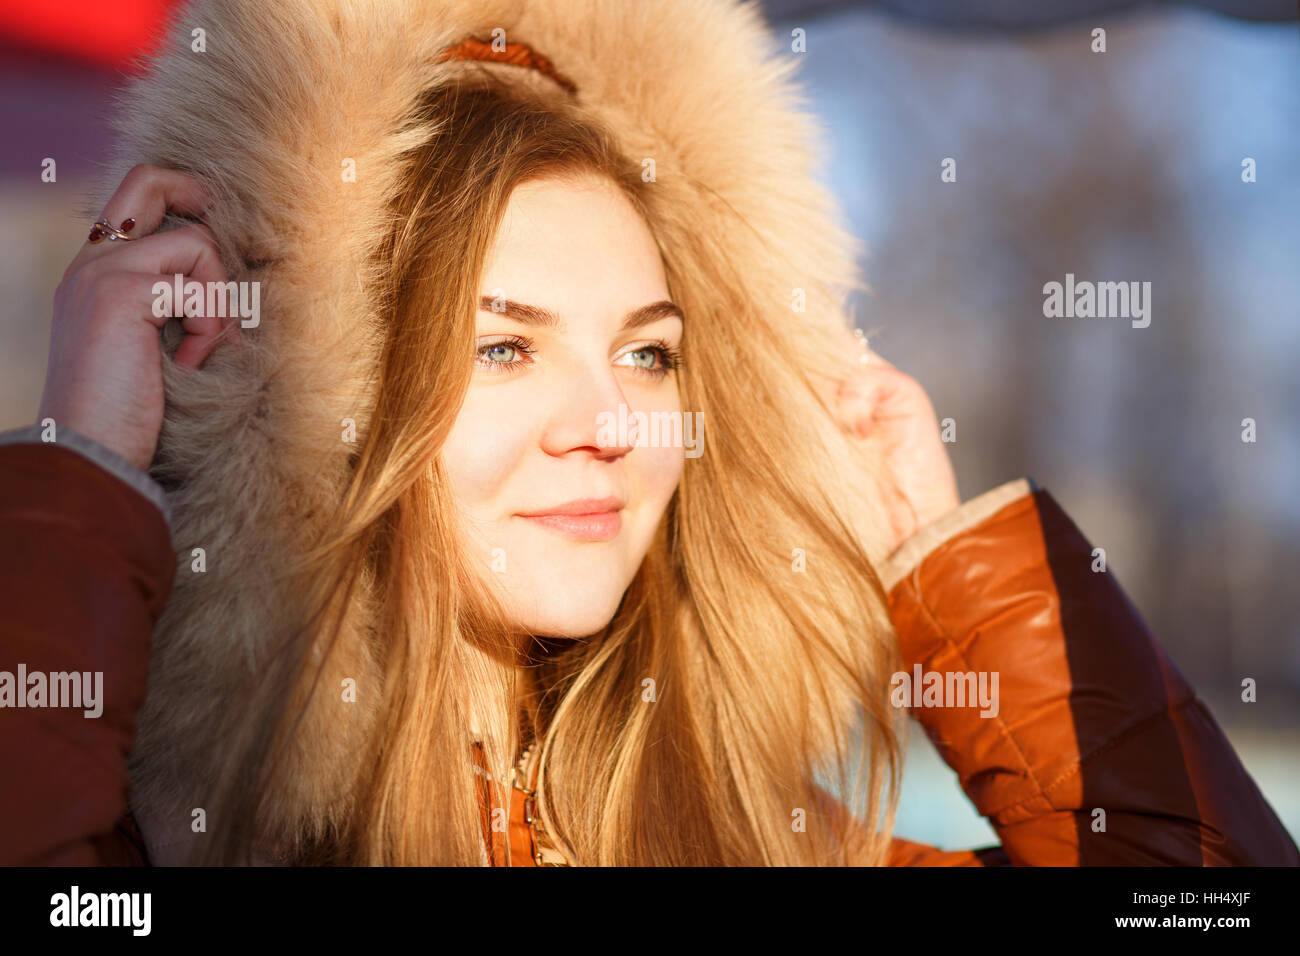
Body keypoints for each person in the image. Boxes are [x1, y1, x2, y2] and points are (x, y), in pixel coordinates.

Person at [2, 0, 1296, 867]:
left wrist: (948, 565)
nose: (614, 423)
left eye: (650, 351)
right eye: (503, 346)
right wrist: (86, 469)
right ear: (320, 409)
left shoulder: (778, 843)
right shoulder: (168, 831)